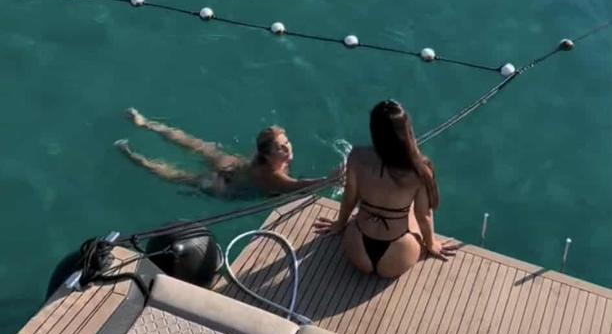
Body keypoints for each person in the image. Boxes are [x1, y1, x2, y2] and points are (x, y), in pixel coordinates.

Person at [314, 99, 457, 278]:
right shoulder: (419, 168)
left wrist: (339, 224)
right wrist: (431, 243)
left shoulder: (357, 156)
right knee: (411, 206)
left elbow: (350, 197)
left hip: (357, 248)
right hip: (397, 255)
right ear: (406, 130)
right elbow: (423, 215)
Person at [115, 108, 341, 198]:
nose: (287, 148)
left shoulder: (263, 160)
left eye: (287, 142)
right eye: (280, 147)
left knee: (192, 144)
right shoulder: (274, 176)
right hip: (226, 185)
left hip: (233, 164)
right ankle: (133, 156)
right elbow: (298, 186)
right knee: (179, 176)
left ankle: (145, 124)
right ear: (267, 155)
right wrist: (328, 180)